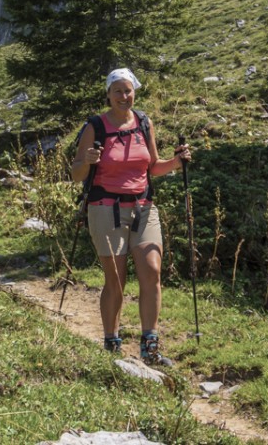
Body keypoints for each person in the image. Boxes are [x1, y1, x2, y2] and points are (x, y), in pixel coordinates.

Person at [69, 67, 191, 364]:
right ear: (108, 95)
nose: (124, 96)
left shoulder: (144, 122)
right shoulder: (95, 127)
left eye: (128, 90)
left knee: (152, 270)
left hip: (143, 206)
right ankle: (111, 344)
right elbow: (75, 175)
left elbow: (153, 167)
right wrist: (86, 161)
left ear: (134, 91)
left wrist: (177, 162)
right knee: (116, 280)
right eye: (118, 91)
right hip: (104, 209)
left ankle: (150, 348)